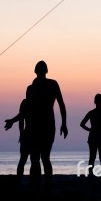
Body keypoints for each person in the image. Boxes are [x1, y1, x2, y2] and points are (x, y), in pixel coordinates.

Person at [25, 60, 68, 188]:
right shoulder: (32, 88)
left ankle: (42, 186)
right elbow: (28, 110)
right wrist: (64, 123)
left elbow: (61, 104)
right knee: (38, 158)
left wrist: (64, 123)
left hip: (45, 126)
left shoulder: (52, 84)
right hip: (36, 126)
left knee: (41, 158)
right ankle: (37, 185)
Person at [80, 93, 101, 176]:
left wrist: (90, 129)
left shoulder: (92, 113)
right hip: (100, 137)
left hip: (94, 137)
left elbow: (82, 124)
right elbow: (82, 124)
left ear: (94, 102)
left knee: (92, 157)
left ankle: (91, 175)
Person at [4, 98, 30, 178]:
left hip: (31, 134)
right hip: (29, 134)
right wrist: (22, 134)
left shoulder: (27, 102)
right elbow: (21, 118)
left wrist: (22, 134)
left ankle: (31, 184)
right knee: (27, 160)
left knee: (25, 160)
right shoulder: (26, 102)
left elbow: (21, 117)